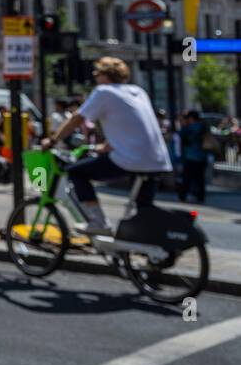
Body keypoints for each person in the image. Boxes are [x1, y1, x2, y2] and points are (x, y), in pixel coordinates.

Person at [42, 57, 172, 233]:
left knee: (76, 172)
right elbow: (132, 125)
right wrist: (107, 145)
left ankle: (98, 222)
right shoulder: (137, 91)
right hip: (158, 159)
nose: (95, 77)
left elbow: (77, 118)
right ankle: (147, 245)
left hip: (132, 159)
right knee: (143, 209)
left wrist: (53, 140)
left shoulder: (104, 92)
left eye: (97, 73)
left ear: (105, 75)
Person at [177, 110, 210, 204]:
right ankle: (200, 197)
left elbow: (182, 136)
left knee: (187, 177)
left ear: (191, 118)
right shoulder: (204, 127)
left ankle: (182, 196)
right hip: (202, 156)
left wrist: (183, 125)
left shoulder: (188, 128)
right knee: (200, 179)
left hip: (190, 156)